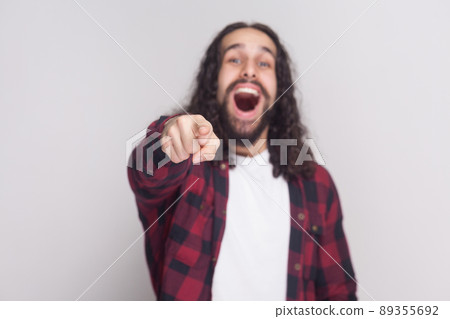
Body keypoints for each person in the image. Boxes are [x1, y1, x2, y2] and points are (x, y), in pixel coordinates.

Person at [127, 22, 357, 301]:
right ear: (214, 82)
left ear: (279, 87)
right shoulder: (188, 169)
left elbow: (339, 295)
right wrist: (168, 138)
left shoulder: (316, 184)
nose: (249, 69)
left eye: (264, 63)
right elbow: (145, 172)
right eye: (234, 59)